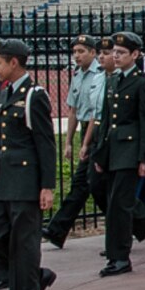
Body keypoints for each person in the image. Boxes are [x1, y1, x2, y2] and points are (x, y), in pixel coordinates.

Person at [0, 39, 58, 290]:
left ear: (15, 62)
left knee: (25, 241)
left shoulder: (33, 95)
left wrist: (47, 186)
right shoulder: (4, 93)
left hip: (26, 180)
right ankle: (35, 276)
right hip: (3, 178)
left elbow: (45, 143)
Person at [94, 32, 145, 274]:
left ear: (135, 54)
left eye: (121, 52)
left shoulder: (143, 82)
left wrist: (144, 158)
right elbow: (106, 119)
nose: (115, 56)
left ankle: (119, 257)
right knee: (117, 202)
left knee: (119, 205)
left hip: (130, 151)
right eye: (114, 52)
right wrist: (100, 154)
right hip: (113, 150)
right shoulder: (112, 80)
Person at [45, 35, 106, 250]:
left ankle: (141, 224)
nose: (77, 56)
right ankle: (57, 230)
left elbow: (95, 115)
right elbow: (73, 111)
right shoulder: (77, 76)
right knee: (84, 184)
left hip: (98, 133)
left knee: (92, 184)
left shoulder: (101, 74)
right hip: (85, 133)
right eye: (75, 52)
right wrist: (69, 141)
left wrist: (86, 144)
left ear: (93, 52)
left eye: (81, 51)